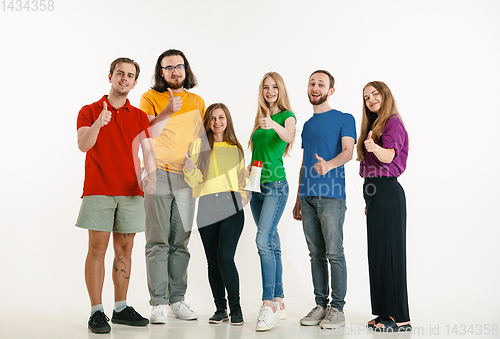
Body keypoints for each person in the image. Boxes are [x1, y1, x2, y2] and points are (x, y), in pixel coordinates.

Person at [75, 57, 155, 334]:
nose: (124, 78)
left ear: (134, 83)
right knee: (97, 249)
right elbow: (83, 145)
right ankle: (97, 312)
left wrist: (152, 176)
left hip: (132, 192)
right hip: (99, 190)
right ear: (110, 76)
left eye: (130, 75)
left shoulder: (140, 116)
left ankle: (120, 308)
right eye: (120, 73)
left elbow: (148, 152)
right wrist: (99, 123)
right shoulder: (89, 111)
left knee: (126, 249)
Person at [139, 49, 206, 323]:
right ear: (161, 72)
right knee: (157, 241)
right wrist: (167, 110)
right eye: (169, 68)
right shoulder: (150, 98)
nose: (175, 71)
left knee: (180, 242)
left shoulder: (198, 101)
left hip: (185, 178)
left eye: (179, 66)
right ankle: (159, 303)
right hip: (157, 174)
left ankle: (178, 300)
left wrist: (197, 171)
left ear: (185, 69)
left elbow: (201, 139)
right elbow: (145, 132)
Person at [292, 70, 356, 329]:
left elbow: (349, 151)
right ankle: (321, 305)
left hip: (331, 197)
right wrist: (298, 197)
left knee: (334, 253)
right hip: (307, 197)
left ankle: (337, 309)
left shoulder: (344, 118)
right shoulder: (306, 125)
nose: (315, 87)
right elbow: (304, 163)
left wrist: (328, 165)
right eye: (311, 83)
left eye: (321, 84)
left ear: (330, 91)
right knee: (315, 253)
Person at [183, 103, 248, 326]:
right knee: (212, 261)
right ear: (207, 122)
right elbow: (193, 183)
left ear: (227, 120)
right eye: (212, 118)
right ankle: (220, 309)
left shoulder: (235, 148)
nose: (217, 122)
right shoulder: (198, 146)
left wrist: (244, 197)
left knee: (225, 258)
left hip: (231, 205)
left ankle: (236, 308)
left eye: (221, 117)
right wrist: (190, 168)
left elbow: (242, 182)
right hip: (207, 205)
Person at [357, 81, 411, 332]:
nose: (371, 100)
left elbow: (389, 156)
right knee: (378, 255)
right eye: (366, 97)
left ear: (385, 94)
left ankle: (400, 317)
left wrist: (374, 147)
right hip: (375, 193)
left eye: (375, 94)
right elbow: (370, 172)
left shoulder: (393, 122)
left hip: (388, 192)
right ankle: (384, 312)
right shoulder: (374, 124)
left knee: (392, 254)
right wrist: (369, 200)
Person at [248, 72, 296, 332]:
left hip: (276, 185)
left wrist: (272, 125)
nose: (270, 91)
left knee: (262, 240)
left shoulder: (286, 117)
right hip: (256, 186)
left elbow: (289, 137)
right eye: (266, 87)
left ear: (281, 90)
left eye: (274, 87)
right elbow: (259, 153)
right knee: (272, 240)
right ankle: (279, 300)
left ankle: (267, 304)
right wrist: (248, 170)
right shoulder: (259, 120)